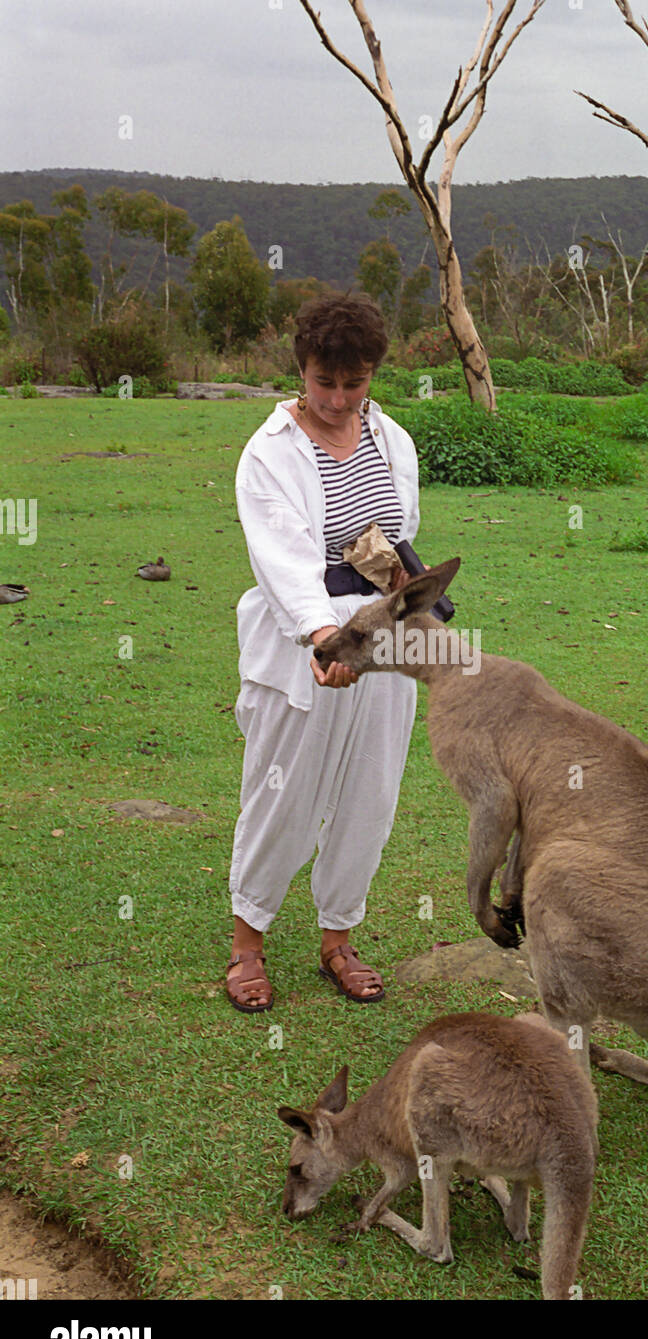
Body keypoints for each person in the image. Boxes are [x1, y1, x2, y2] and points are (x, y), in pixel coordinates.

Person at [226, 291, 419, 1011]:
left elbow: (393, 534)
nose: (338, 398)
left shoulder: (391, 441)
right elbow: (283, 558)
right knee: (282, 792)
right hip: (306, 643)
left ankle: (337, 938)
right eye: (324, 382)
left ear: (372, 373)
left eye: (354, 382)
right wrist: (325, 639)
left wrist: (407, 596)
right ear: (301, 372)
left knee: (371, 789)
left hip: (384, 642)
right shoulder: (268, 452)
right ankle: (248, 945)